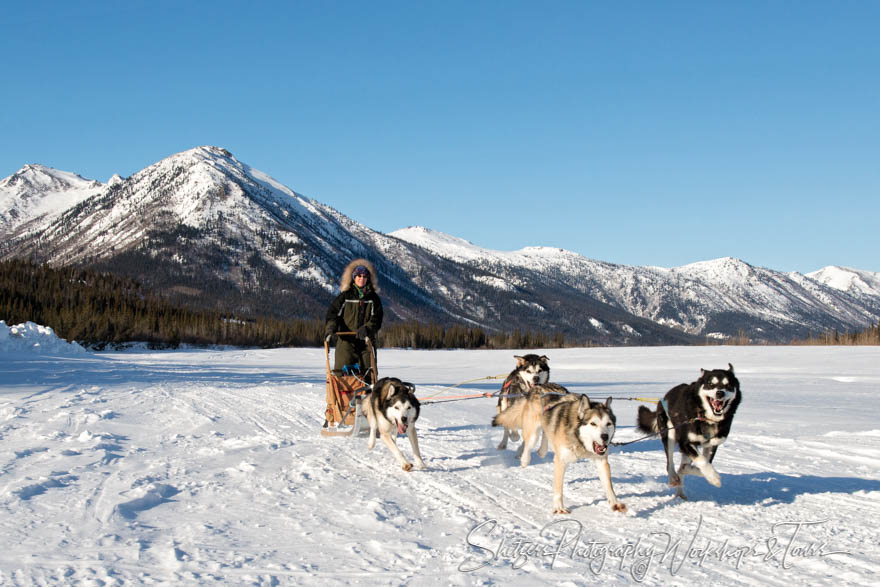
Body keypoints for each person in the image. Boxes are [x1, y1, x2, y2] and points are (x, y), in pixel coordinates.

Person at [324, 259, 383, 382]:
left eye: (364, 276)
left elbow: (377, 319)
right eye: (358, 276)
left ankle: (368, 398)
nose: (361, 278)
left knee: (369, 374)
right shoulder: (345, 296)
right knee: (342, 374)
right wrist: (331, 328)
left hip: (366, 342)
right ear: (353, 278)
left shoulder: (373, 298)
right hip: (346, 341)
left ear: (368, 279)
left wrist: (367, 329)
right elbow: (333, 315)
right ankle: (342, 399)